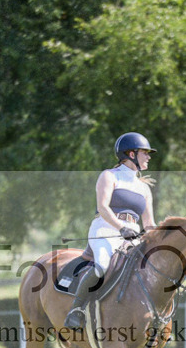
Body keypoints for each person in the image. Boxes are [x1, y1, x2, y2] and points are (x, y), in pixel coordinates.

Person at [65, 132, 157, 329]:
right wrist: (121, 227)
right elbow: (103, 207)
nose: (148, 157)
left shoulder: (144, 189)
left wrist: (161, 238)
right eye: (145, 153)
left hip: (133, 236)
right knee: (103, 266)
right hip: (105, 229)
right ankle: (76, 309)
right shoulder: (109, 176)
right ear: (131, 154)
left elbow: (148, 223)